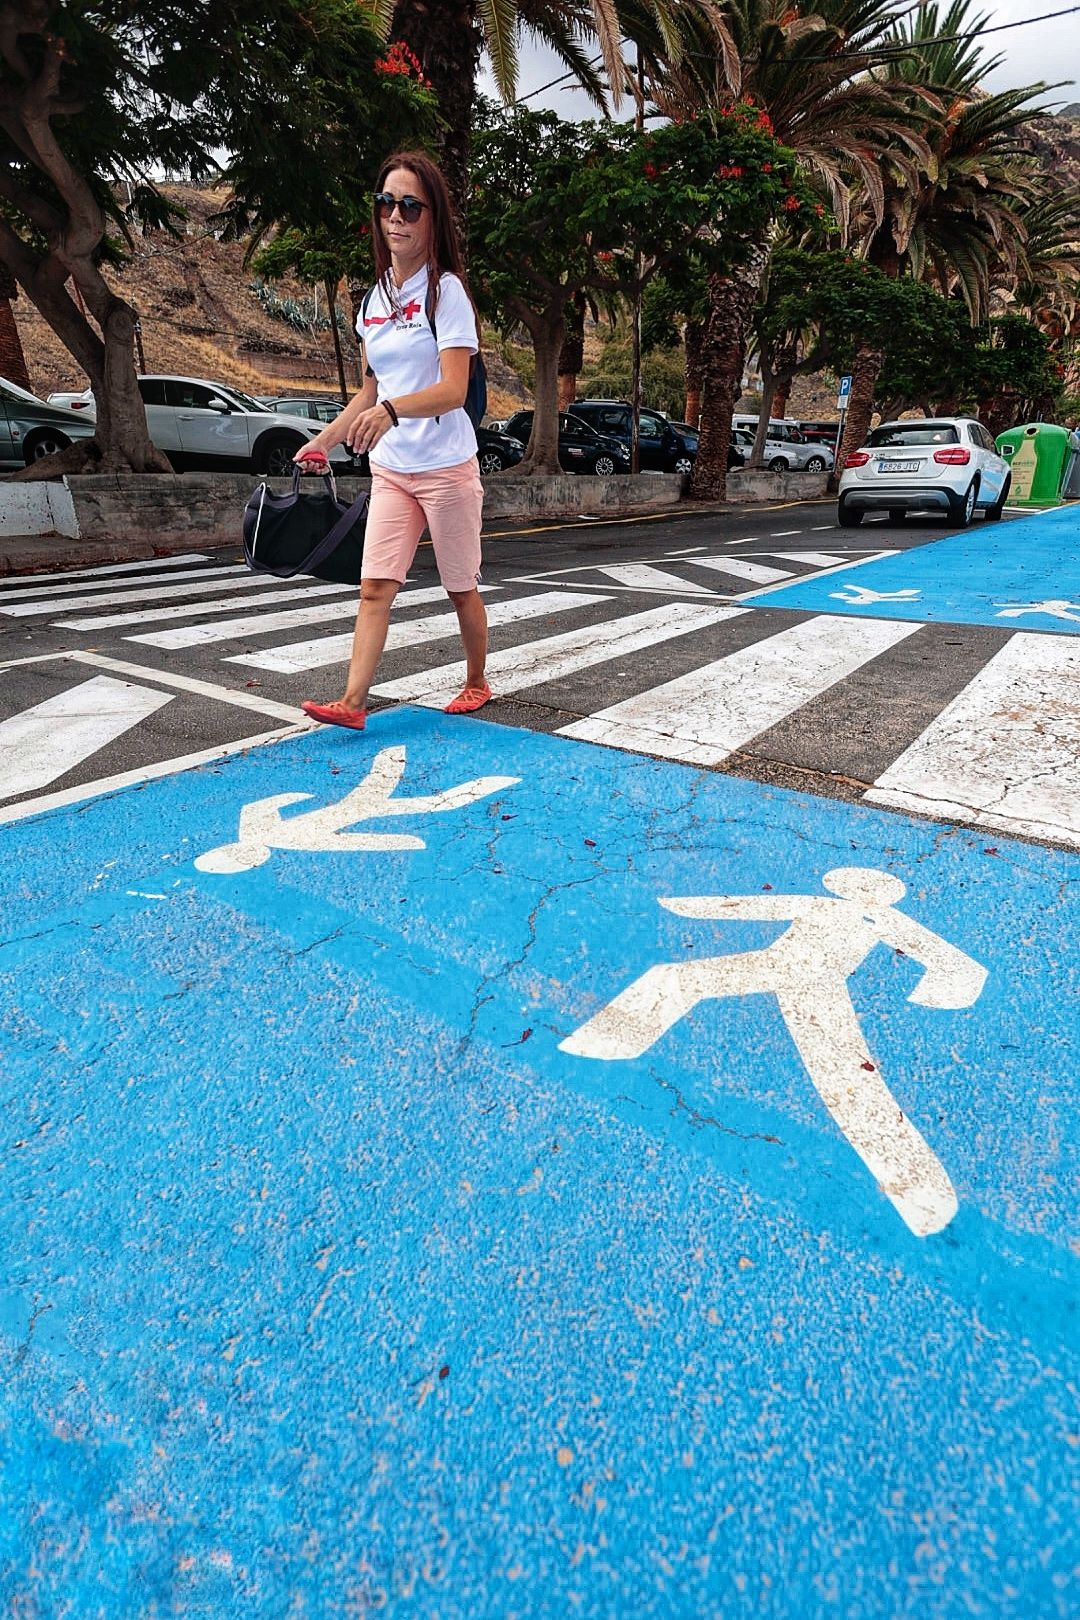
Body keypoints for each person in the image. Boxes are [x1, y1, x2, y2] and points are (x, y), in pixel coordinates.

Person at [293, 150, 488, 730]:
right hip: (393, 471)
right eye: (386, 203)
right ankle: (353, 704)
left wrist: (392, 412)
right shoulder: (373, 301)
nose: (396, 216)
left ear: (432, 218)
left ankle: (477, 679)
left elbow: (453, 389)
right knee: (375, 586)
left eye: (410, 205)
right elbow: (368, 391)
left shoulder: (446, 293)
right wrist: (321, 441)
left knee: (459, 588)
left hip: (448, 465)